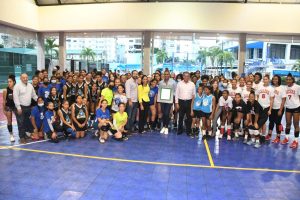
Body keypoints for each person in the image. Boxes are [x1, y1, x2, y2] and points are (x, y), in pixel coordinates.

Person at [13, 73, 38, 144]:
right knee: (20, 123)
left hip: (28, 107)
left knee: (26, 122)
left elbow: (34, 95)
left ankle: (25, 135)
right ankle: (22, 138)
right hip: (20, 107)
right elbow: (15, 97)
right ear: (20, 78)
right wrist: (18, 107)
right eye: (23, 78)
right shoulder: (17, 86)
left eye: (26, 77)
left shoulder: (30, 86)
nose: (25, 79)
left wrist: (39, 101)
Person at [281, 74, 300, 148]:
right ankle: (286, 138)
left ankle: (295, 141)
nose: (288, 81)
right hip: (288, 107)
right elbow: (284, 98)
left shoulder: (297, 87)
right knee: (288, 123)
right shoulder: (284, 88)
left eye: (290, 79)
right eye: (287, 79)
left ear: (292, 80)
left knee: (296, 124)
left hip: (296, 107)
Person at [175, 72, 196, 136]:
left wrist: (192, 105)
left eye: (188, 76)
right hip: (181, 102)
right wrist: (176, 103)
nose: (186, 77)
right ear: (183, 76)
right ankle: (180, 130)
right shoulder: (179, 84)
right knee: (180, 117)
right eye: (185, 76)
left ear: (189, 77)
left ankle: (188, 131)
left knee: (189, 118)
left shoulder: (192, 84)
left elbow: (194, 95)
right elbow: (176, 94)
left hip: (189, 102)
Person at [157, 70, 177, 135]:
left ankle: (166, 127)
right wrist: (159, 101)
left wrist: (173, 99)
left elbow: (175, 91)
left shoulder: (173, 82)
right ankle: (164, 126)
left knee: (166, 113)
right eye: (165, 74)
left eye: (167, 74)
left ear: (169, 75)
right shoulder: (160, 82)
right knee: (163, 113)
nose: (166, 75)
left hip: (169, 100)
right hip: (162, 100)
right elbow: (159, 91)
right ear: (163, 75)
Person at [268, 75, 286, 143]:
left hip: (279, 108)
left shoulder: (282, 88)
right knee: (271, 122)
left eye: (276, 79)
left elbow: (284, 100)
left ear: (279, 80)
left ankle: (278, 137)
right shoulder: (271, 88)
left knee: (278, 123)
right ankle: (269, 134)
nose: (274, 80)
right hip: (272, 108)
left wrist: (280, 110)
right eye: (273, 79)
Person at [3, 75, 16, 142]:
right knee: (9, 120)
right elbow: (4, 101)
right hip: (9, 107)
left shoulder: (17, 89)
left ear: (14, 82)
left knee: (20, 120)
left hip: (16, 106)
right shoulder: (5, 90)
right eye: (8, 82)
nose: (9, 83)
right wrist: (3, 110)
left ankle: (23, 133)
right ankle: (11, 135)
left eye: (10, 81)